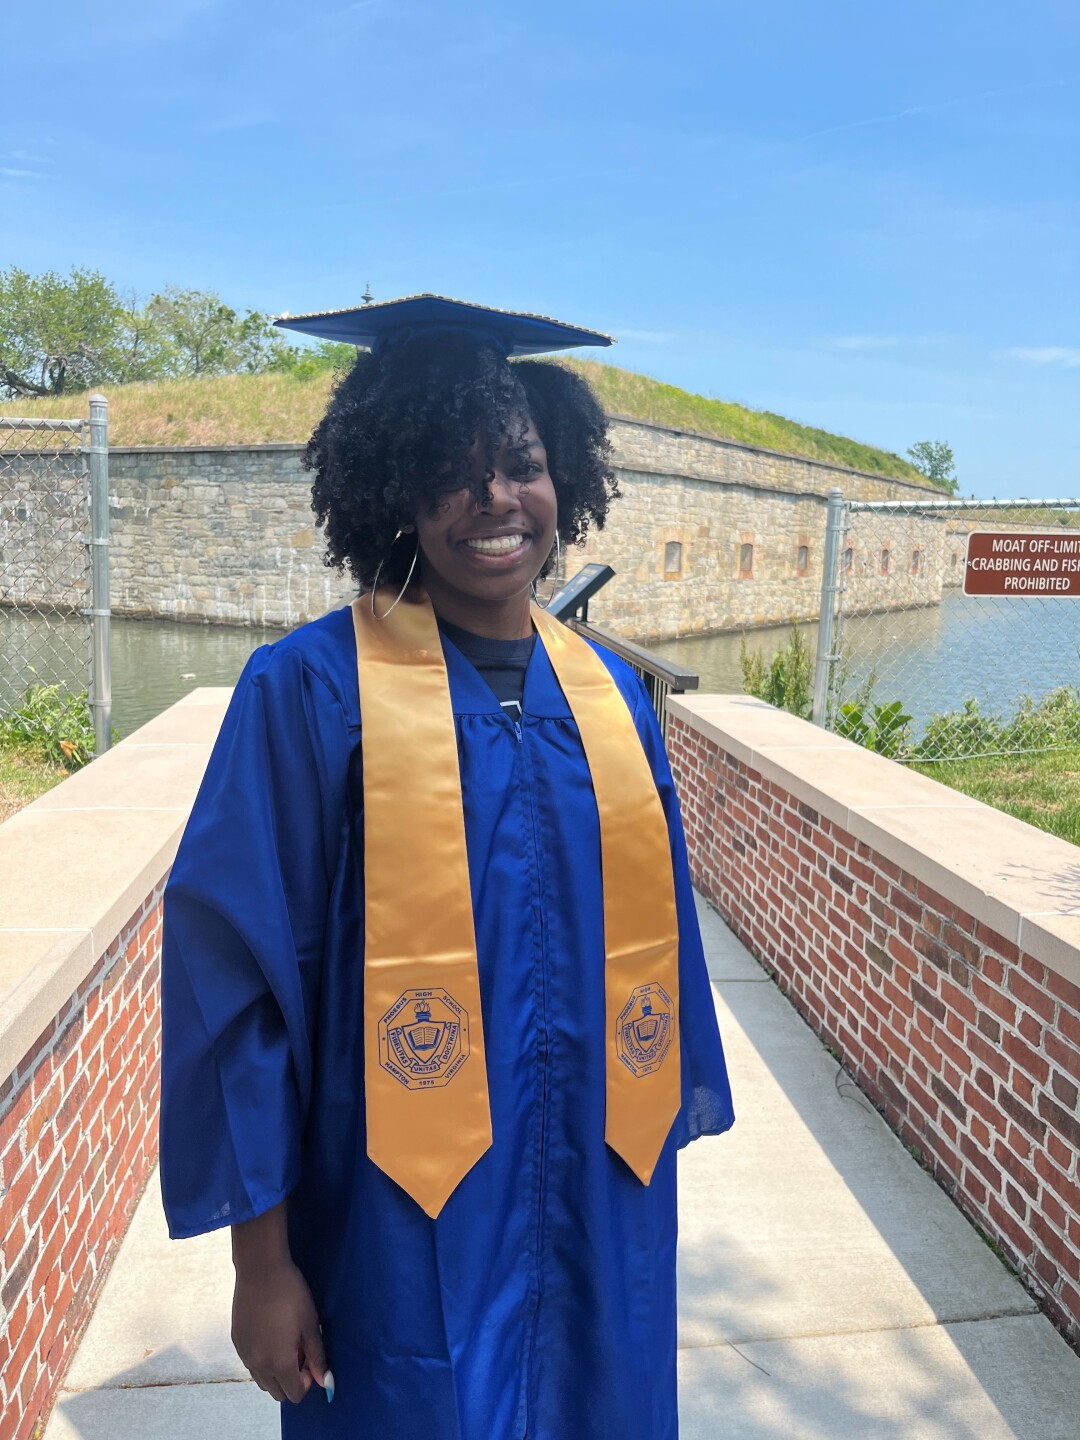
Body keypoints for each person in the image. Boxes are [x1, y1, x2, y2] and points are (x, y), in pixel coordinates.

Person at [159, 294, 734, 1440]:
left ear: (562, 474)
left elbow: (656, 959)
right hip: (393, 1217)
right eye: (448, 468)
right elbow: (239, 992)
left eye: (519, 464)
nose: (494, 501)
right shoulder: (310, 692)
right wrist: (261, 1265)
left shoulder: (612, 697)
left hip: (595, 1204)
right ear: (390, 490)